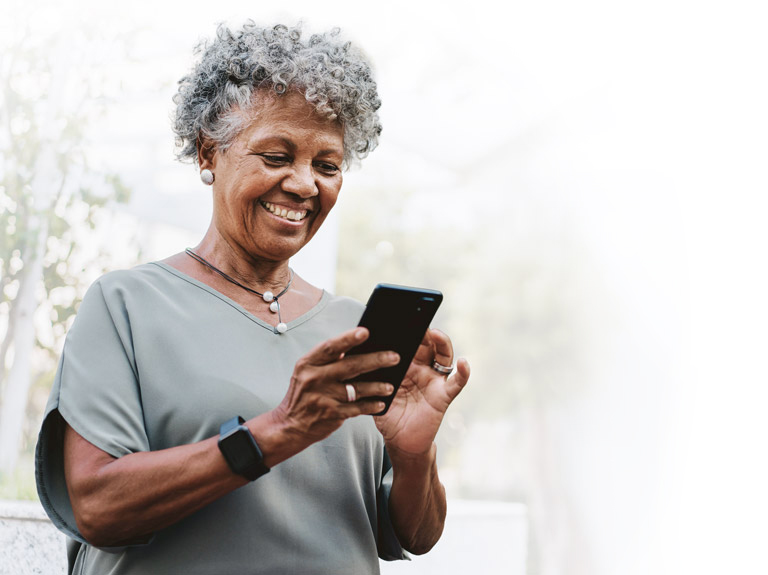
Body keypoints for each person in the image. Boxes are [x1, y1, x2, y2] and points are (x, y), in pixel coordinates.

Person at [35, 21, 470, 575]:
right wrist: (277, 430)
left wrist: (413, 457)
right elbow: (97, 507)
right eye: (276, 155)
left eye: (327, 165)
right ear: (208, 152)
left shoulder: (353, 329)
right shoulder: (125, 307)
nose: (305, 184)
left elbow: (414, 533)